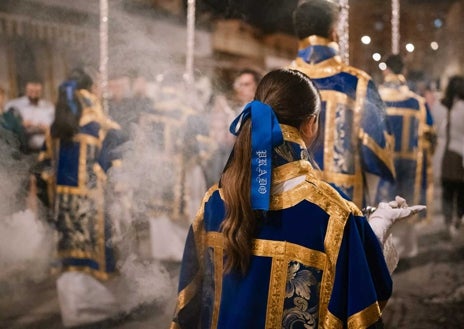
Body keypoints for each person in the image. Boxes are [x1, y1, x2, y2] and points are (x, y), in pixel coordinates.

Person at [170, 68, 425, 329]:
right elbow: (359, 307)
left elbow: (189, 307)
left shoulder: (213, 202)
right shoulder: (333, 214)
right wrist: (378, 225)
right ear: (311, 124)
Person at [36, 68, 126, 327]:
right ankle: (96, 310)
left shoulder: (57, 126)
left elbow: (43, 164)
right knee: (91, 255)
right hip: (91, 202)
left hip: (62, 203)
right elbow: (116, 158)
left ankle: (73, 311)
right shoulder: (98, 125)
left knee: (69, 259)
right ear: (89, 90)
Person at [289, 0, 395, 208]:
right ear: (333, 32)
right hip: (343, 205)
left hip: (291, 204)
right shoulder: (357, 83)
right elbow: (379, 152)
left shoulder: (278, 81)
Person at [377, 54, 436, 258]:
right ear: (404, 71)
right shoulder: (417, 102)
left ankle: (382, 252)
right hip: (410, 164)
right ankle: (407, 251)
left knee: (383, 205)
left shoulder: (375, 98)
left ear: (386, 70)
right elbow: (430, 135)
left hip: (382, 164)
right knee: (407, 203)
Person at [439, 75, 464, 238]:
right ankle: (457, 220)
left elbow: (440, 132)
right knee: (461, 193)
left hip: (449, 156)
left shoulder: (446, 108)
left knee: (448, 192)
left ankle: (448, 224)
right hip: (461, 156)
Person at [4, 78, 54, 153]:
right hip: (20, 150)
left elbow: (53, 127)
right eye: (31, 91)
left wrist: (46, 128)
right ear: (25, 89)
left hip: (43, 150)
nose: (33, 95)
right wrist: (20, 124)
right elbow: (6, 127)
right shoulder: (13, 105)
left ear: (42, 90)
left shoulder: (49, 107)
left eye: (37, 92)